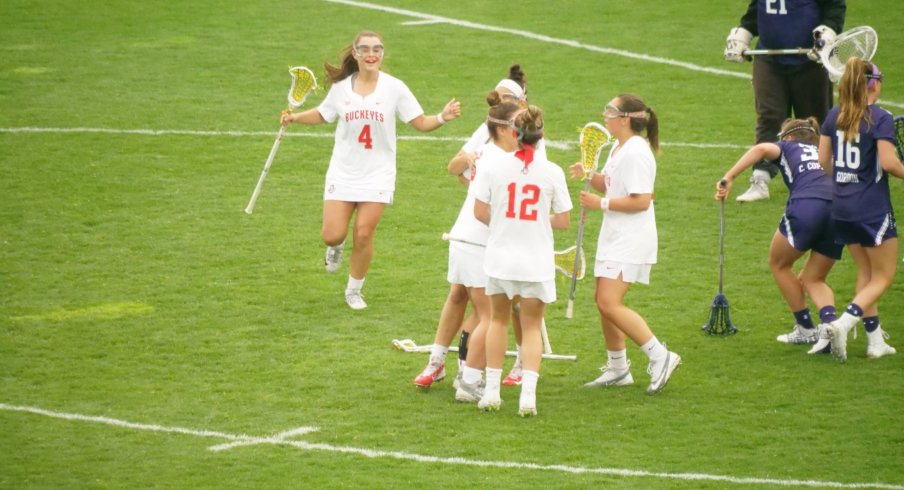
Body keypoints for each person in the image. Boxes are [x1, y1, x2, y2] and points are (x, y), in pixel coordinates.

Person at [281, 30, 461, 309]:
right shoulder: (341, 89)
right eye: (364, 49)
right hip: (343, 171)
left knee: (364, 233)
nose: (371, 54)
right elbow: (323, 114)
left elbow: (420, 122)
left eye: (377, 49)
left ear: (381, 54)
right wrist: (294, 117)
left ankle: (354, 290)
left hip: (379, 173)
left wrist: (442, 117)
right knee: (332, 234)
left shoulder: (395, 88)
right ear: (355, 53)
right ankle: (336, 247)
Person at [414, 65, 534, 390]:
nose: (500, 102)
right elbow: (455, 169)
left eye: (508, 98)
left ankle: (489, 368)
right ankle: (453, 369)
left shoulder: (525, 143)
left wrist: (474, 167)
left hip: (486, 234)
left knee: (494, 308)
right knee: (471, 301)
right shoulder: (490, 134)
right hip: (477, 232)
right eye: (498, 98)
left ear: (522, 102)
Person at [469, 103, 572, 416]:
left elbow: (480, 212)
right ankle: (528, 397)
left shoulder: (493, 166)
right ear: (540, 137)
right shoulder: (552, 171)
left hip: (500, 257)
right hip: (535, 260)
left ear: (515, 134)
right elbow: (564, 220)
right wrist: (538, 221)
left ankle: (491, 393)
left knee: (498, 321)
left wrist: (504, 221)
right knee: (530, 326)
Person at [574, 94, 680, 394]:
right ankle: (618, 368)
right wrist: (589, 176)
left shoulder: (636, 152)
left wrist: (601, 203)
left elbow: (642, 200)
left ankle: (661, 355)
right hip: (615, 236)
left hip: (631, 239)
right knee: (602, 301)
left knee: (609, 302)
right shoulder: (619, 148)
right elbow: (610, 183)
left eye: (610, 111)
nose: (604, 114)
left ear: (625, 119)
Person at [714, 117, 842, 348]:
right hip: (839, 212)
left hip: (807, 206)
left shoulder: (787, 146)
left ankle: (805, 329)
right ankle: (830, 325)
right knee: (815, 278)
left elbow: (762, 148)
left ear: (789, 137)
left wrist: (729, 177)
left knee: (779, 263)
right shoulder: (823, 153)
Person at [817, 58, 903, 361]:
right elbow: (891, 164)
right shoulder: (880, 118)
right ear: (872, 83)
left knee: (866, 272)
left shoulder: (833, 115)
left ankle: (875, 341)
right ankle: (843, 323)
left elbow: (824, 161)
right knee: (883, 276)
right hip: (871, 208)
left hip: (841, 206)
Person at [724, 0, 846, 202]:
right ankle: (760, 179)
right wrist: (743, 33)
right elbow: (758, 11)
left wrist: (828, 32)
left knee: (813, 121)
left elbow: (834, 6)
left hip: (810, 58)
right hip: (769, 57)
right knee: (769, 117)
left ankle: (822, 178)